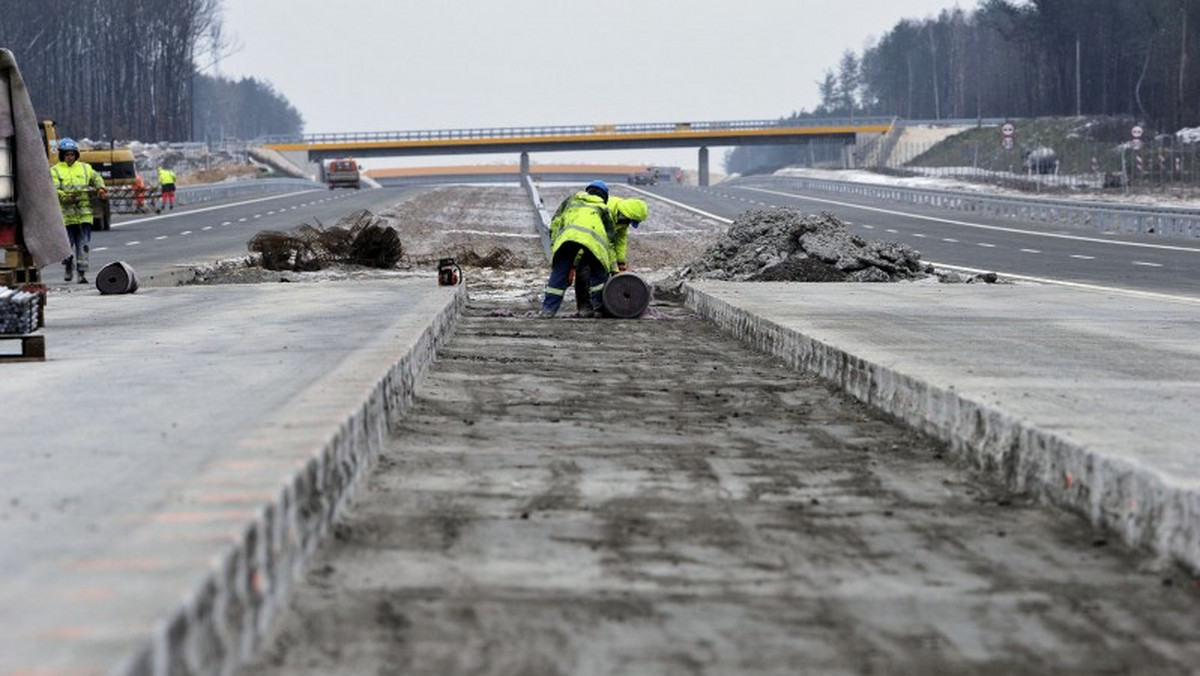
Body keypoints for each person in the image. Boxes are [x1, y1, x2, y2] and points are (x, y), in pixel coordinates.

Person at [540, 180, 616, 318]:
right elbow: (609, 242)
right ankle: (600, 309)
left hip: (566, 239)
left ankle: (548, 310)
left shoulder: (571, 201)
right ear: (604, 197)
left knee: (559, 274)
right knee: (599, 275)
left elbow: (556, 222)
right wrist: (613, 268)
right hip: (592, 242)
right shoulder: (603, 209)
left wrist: (555, 247)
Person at [574, 195, 648, 316]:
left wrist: (621, 262)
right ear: (624, 214)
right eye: (628, 221)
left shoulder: (623, 218)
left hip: (601, 245)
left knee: (601, 275)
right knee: (584, 272)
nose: (627, 224)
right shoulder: (605, 211)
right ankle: (584, 307)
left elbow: (620, 240)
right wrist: (615, 268)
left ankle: (599, 306)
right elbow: (607, 244)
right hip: (584, 242)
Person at [50, 138, 106, 284]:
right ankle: (68, 266)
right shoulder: (55, 171)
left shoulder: (85, 168)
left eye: (72, 154)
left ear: (76, 155)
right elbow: (53, 189)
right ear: (62, 155)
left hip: (84, 216)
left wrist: (101, 188)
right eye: (67, 154)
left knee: (83, 246)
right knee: (66, 246)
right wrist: (64, 197)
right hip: (65, 217)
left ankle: (81, 274)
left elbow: (96, 178)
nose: (70, 157)